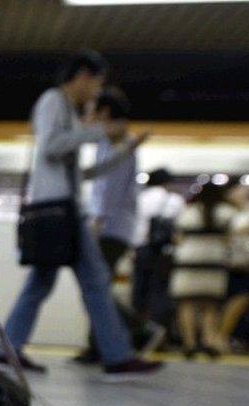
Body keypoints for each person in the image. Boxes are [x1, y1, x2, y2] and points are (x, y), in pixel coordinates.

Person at [0, 50, 162, 379]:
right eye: (96, 84)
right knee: (94, 280)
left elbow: (83, 174)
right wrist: (101, 132)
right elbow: (52, 146)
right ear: (83, 75)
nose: (96, 93)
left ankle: (9, 348)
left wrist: (124, 149)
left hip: (64, 207)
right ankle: (117, 356)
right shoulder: (52, 101)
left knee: (47, 282)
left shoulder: (66, 110)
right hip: (59, 209)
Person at [75, 87, 164, 364]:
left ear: (105, 114)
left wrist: (97, 223)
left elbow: (108, 191)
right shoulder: (108, 144)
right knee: (96, 285)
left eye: (95, 114)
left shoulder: (121, 147)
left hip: (110, 228)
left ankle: (140, 328)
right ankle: (98, 345)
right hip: (111, 227)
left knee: (95, 286)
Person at [170, 181, 237, 358]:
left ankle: (189, 343)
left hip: (188, 263)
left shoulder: (188, 211)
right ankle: (208, 340)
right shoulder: (226, 212)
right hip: (214, 264)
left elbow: (177, 238)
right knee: (211, 306)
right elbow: (231, 238)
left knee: (187, 304)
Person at [132, 168, 185, 332]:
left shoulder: (139, 199)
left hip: (141, 250)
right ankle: (159, 330)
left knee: (140, 291)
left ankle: (139, 329)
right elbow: (180, 228)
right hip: (165, 252)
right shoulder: (175, 200)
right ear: (167, 182)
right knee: (161, 291)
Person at [218, 183, 249, 350]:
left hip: (246, 262)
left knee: (244, 298)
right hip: (230, 261)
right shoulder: (224, 211)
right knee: (240, 297)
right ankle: (221, 336)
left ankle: (226, 336)